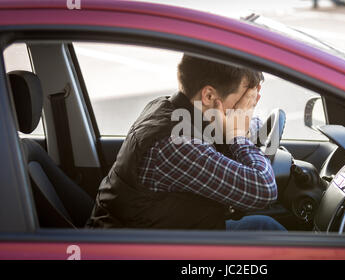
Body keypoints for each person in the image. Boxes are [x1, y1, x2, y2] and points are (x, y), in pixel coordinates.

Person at [86, 54, 286, 231]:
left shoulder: (169, 107)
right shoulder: (175, 144)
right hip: (137, 251)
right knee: (268, 231)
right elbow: (264, 190)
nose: (242, 109)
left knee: (263, 226)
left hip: (168, 229)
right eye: (239, 102)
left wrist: (242, 115)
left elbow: (245, 124)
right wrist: (237, 136)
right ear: (208, 96)